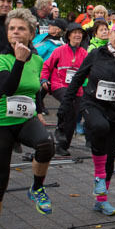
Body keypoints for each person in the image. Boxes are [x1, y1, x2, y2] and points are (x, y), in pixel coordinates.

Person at [0, 8, 56, 229]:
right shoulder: (1, 58)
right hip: (1, 122)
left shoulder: (36, 59)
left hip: (25, 118)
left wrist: (40, 108)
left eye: (21, 28)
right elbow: (8, 88)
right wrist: (19, 61)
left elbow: (34, 90)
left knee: (46, 144)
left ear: (31, 34)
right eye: (11, 28)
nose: (15, 32)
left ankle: (37, 187)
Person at [63, 20, 115, 215]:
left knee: (111, 155)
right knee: (100, 128)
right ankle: (99, 177)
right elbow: (78, 78)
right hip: (92, 105)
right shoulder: (96, 54)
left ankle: (101, 200)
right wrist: (66, 103)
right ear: (109, 34)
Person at [41, 22, 87, 155]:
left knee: (73, 114)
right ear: (69, 35)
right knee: (69, 101)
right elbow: (46, 66)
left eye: (80, 33)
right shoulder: (59, 50)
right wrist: (44, 79)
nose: (78, 35)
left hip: (76, 89)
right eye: (75, 32)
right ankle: (60, 130)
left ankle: (63, 146)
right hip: (58, 85)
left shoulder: (84, 54)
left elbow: (91, 72)